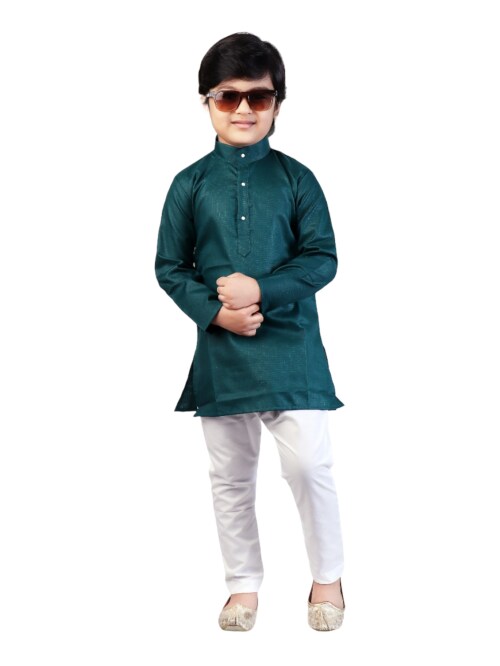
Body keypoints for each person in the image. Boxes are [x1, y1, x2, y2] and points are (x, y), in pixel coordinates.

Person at [155, 32, 346, 632]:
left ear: (277, 104)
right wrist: (217, 313)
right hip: (223, 351)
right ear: (207, 102)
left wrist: (260, 290)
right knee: (231, 479)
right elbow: (169, 267)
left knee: (309, 467)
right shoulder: (189, 184)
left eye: (258, 97)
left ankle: (328, 578)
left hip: (293, 350)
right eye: (227, 96)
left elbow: (322, 259)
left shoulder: (297, 179)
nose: (243, 109)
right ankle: (242, 587)